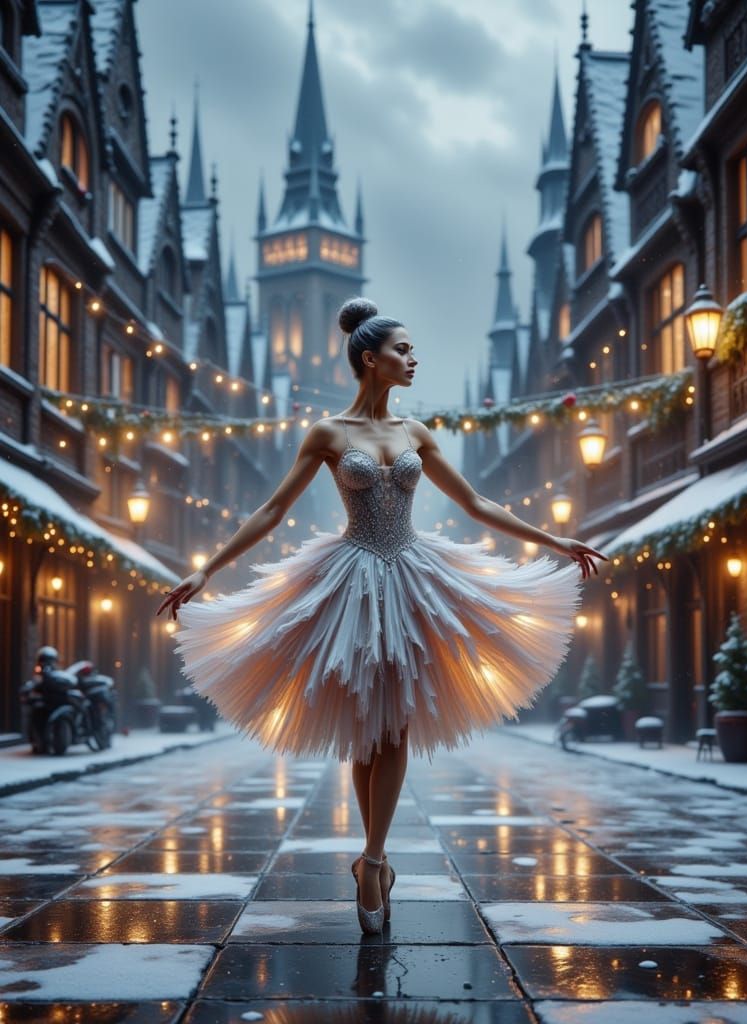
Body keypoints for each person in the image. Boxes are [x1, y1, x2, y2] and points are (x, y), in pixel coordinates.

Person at [156, 296, 608, 935]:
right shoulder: (328, 434)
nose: (412, 358)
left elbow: (476, 502)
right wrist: (207, 569)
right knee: (367, 727)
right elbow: (271, 512)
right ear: (369, 359)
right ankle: (374, 860)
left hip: (416, 576)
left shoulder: (415, 433)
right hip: (352, 578)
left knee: (393, 726)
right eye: (402, 349)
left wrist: (554, 542)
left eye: (412, 349)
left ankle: (372, 860)